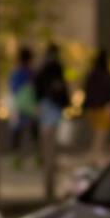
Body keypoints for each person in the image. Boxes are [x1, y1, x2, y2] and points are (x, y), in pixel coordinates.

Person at [34, 42, 69, 201]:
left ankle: (47, 184)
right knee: (51, 147)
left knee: (47, 146)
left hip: (45, 107)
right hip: (53, 108)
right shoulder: (56, 68)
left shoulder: (41, 69)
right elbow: (62, 88)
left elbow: (37, 89)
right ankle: (50, 185)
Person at [82, 48, 110, 158]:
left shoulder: (91, 75)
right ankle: (96, 159)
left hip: (92, 109)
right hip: (102, 110)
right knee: (100, 138)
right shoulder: (106, 76)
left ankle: (95, 158)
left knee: (96, 137)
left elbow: (87, 91)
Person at [7, 46, 37, 162]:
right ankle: (36, 158)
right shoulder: (31, 73)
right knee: (33, 132)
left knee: (18, 133)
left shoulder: (16, 73)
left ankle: (16, 159)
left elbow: (12, 88)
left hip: (18, 106)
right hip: (30, 106)